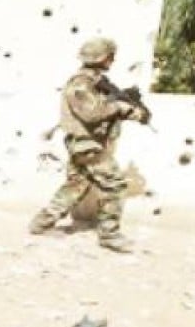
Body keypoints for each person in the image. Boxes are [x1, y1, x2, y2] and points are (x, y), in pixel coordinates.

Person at [29, 37, 150, 252]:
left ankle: (41, 222)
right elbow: (93, 114)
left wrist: (129, 111)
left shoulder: (95, 82)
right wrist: (120, 107)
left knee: (76, 185)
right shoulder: (81, 84)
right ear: (102, 58)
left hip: (88, 143)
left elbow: (102, 110)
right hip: (86, 144)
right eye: (110, 56)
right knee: (115, 184)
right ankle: (109, 235)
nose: (112, 60)